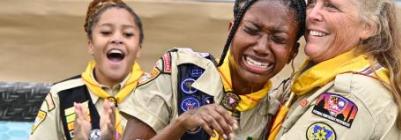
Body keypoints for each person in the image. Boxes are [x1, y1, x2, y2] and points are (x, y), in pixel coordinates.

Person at [119, 0, 306, 139]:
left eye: (278, 39)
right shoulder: (179, 70)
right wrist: (182, 124)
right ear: (231, 30)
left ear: (292, 52)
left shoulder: (274, 118)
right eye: (251, 30)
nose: (261, 47)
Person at [268, 0, 401, 139]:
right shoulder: (316, 76)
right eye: (312, 3)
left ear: (368, 27)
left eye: (331, 6)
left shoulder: (351, 94)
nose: (312, 15)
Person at [29, 0, 145, 139]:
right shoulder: (62, 95)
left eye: (127, 34)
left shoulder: (159, 91)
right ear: (90, 44)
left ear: (139, 48)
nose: (116, 39)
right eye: (106, 32)